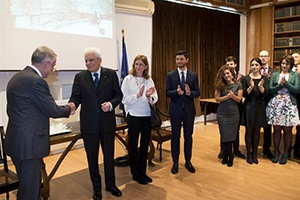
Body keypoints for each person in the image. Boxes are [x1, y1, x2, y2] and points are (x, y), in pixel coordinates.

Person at [5, 46, 75, 200]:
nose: (53, 69)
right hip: (29, 146)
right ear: (46, 63)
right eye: (53, 65)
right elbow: (53, 110)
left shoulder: (16, 78)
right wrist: (69, 108)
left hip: (17, 142)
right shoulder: (36, 82)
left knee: (27, 187)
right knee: (30, 191)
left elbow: (10, 111)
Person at [69, 47, 123, 199]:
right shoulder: (80, 77)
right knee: (92, 159)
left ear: (99, 60)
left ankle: (111, 185)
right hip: (89, 125)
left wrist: (111, 105)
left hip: (107, 124)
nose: (88, 63)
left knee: (109, 156)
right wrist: (72, 105)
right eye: (86, 61)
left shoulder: (111, 74)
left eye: (91, 60)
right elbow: (76, 97)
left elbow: (118, 95)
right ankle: (97, 189)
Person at [121, 55, 158, 184]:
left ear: (146, 66)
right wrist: (137, 95)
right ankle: (135, 173)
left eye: (141, 64)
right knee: (132, 145)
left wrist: (148, 96)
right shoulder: (128, 79)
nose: (138, 66)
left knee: (144, 145)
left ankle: (143, 172)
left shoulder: (149, 80)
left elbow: (155, 97)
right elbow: (124, 99)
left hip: (146, 116)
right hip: (134, 116)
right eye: (136, 64)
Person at [166, 50, 200, 174]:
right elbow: (167, 92)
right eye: (177, 59)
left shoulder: (193, 75)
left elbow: (198, 92)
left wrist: (189, 93)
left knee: (188, 137)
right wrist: (177, 92)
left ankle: (188, 161)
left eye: (181, 59)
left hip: (189, 111)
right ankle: (175, 162)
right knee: (175, 137)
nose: (179, 61)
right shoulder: (170, 75)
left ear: (187, 60)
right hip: (175, 111)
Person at [266, 55, 300, 165]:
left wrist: (286, 83)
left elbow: (297, 89)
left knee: (287, 130)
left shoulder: (295, 75)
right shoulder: (275, 74)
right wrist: (280, 86)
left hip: (289, 104)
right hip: (276, 104)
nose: (284, 65)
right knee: (276, 129)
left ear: (290, 65)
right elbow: (270, 89)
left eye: (287, 64)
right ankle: (276, 152)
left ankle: (286, 153)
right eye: (282, 63)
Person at [217, 56, 245, 160]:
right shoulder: (221, 81)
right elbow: (217, 97)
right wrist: (228, 97)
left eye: (231, 64)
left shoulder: (240, 79)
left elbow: (240, 97)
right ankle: (224, 151)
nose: (229, 67)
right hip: (224, 110)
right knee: (224, 131)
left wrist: (233, 96)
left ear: (235, 65)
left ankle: (235, 150)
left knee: (234, 131)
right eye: (227, 65)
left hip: (235, 109)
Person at [241, 58, 268, 164]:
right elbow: (243, 94)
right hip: (249, 106)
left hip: (260, 106)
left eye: (256, 65)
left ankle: (254, 154)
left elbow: (266, 94)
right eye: (252, 65)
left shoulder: (264, 78)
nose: (254, 67)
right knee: (249, 130)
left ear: (260, 66)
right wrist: (251, 87)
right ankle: (248, 154)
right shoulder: (246, 79)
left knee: (257, 131)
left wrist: (260, 86)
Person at [259, 50, 276, 159]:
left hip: (268, 101)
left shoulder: (274, 72)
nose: (263, 58)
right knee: (254, 127)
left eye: (265, 56)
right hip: (256, 102)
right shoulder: (254, 69)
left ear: (269, 58)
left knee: (267, 127)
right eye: (261, 56)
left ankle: (266, 149)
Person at [291, 51, 300, 159]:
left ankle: (297, 148)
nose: (294, 58)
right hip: (290, 101)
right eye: (292, 57)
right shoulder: (287, 70)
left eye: (296, 57)